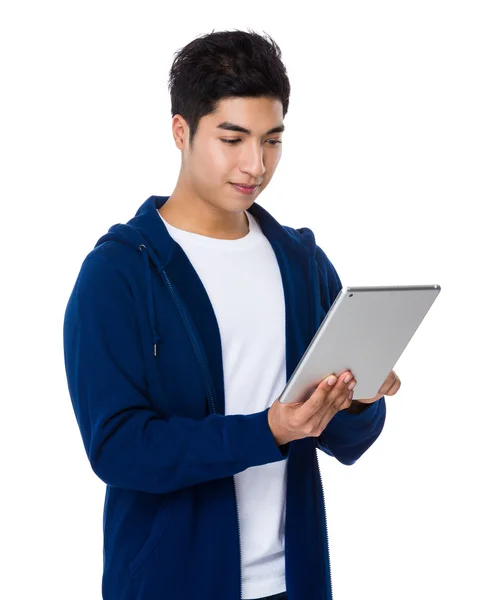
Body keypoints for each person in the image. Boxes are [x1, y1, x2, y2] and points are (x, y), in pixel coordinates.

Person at [63, 28, 400, 600]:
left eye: (272, 140)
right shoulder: (119, 274)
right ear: (181, 131)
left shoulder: (302, 261)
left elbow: (346, 442)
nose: (256, 164)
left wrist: (358, 397)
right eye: (233, 138)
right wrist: (264, 432)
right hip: (172, 583)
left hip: (294, 581)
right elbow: (118, 449)